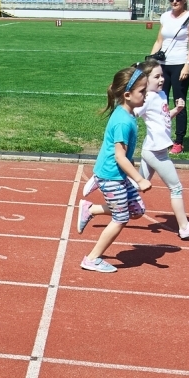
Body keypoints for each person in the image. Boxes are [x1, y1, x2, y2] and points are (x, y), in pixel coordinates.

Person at [77, 65, 152, 273]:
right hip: (111, 176)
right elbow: (119, 156)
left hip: (116, 174)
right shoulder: (122, 122)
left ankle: (91, 209)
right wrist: (139, 179)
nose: (146, 94)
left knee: (137, 210)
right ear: (127, 95)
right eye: (142, 91)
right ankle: (91, 259)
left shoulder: (127, 114)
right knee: (121, 218)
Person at [136, 59, 189, 240]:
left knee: (137, 186)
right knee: (176, 188)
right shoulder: (147, 98)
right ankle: (184, 227)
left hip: (154, 149)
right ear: (145, 79)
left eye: (162, 76)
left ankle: (93, 206)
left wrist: (177, 109)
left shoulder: (161, 94)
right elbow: (131, 112)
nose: (162, 79)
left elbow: (164, 118)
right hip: (155, 151)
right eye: (156, 77)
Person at [149, 0, 189, 153]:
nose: (175, 1)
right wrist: (151, 61)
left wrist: (187, 65)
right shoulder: (164, 17)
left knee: (179, 102)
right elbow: (159, 41)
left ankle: (179, 141)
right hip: (163, 65)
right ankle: (162, 137)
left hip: (179, 64)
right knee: (160, 101)